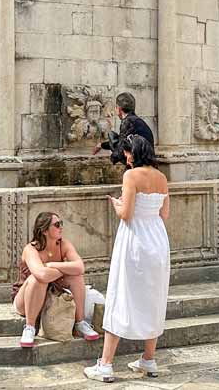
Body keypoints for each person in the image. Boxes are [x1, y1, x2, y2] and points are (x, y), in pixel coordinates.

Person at [84, 135, 169, 382]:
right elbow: (164, 214)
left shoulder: (130, 176)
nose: (126, 157)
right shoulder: (162, 178)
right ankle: (148, 359)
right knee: (154, 297)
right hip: (157, 240)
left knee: (121, 295)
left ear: (135, 153)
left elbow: (127, 214)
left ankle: (106, 364)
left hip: (134, 241)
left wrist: (116, 204)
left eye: (128, 153)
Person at [14, 212, 99, 349]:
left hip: (50, 295)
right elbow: (41, 275)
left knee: (76, 277)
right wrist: (64, 269)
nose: (61, 228)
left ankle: (80, 323)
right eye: (57, 224)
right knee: (36, 279)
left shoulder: (63, 245)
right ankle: (29, 328)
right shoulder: (30, 249)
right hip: (25, 300)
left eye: (61, 224)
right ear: (44, 230)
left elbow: (79, 267)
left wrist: (51, 265)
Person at [92, 92, 154, 165]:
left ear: (118, 108)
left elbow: (120, 151)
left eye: (116, 107)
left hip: (140, 166)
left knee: (112, 136)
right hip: (147, 164)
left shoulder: (128, 121)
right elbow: (122, 142)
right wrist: (102, 145)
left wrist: (113, 157)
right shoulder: (137, 121)